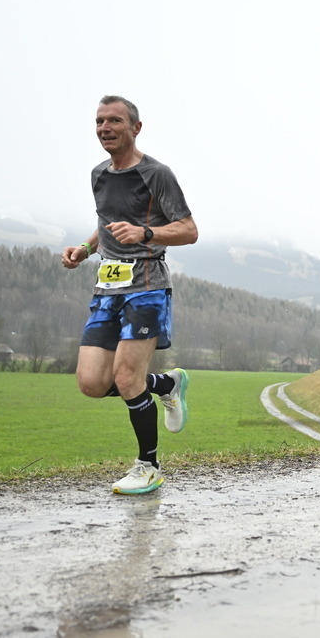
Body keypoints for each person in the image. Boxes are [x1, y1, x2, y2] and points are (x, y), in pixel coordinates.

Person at [61, 95, 198, 495]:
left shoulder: (157, 174)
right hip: (107, 287)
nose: (105, 128)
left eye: (114, 121)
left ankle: (149, 466)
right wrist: (84, 250)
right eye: (100, 121)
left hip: (148, 285)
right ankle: (165, 385)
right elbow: (105, 225)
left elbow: (189, 229)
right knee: (90, 382)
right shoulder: (98, 174)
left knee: (125, 375)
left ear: (135, 128)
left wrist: (147, 233)